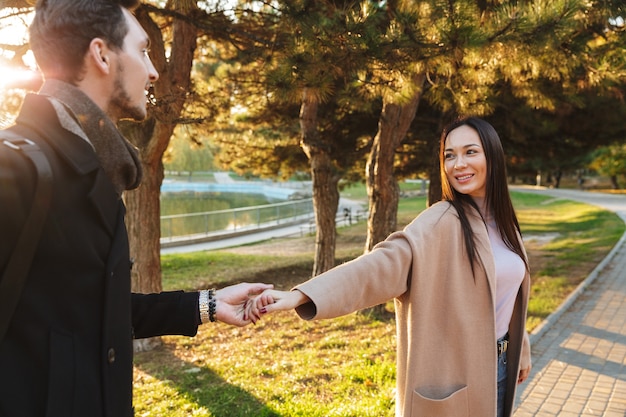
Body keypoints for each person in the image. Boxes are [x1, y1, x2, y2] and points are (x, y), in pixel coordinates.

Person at [0, 1, 272, 416]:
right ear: (102, 54)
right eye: (143, 50)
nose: (153, 71)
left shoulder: (98, 166)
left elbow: (93, 309)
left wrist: (210, 305)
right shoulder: (16, 167)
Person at [251, 117, 532, 417]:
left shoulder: (506, 225)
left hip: (502, 371)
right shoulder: (441, 220)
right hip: (459, 382)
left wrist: (520, 347)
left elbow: (505, 294)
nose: (457, 164)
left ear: (493, 156)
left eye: (470, 152)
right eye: (449, 155)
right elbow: (379, 266)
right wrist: (303, 295)